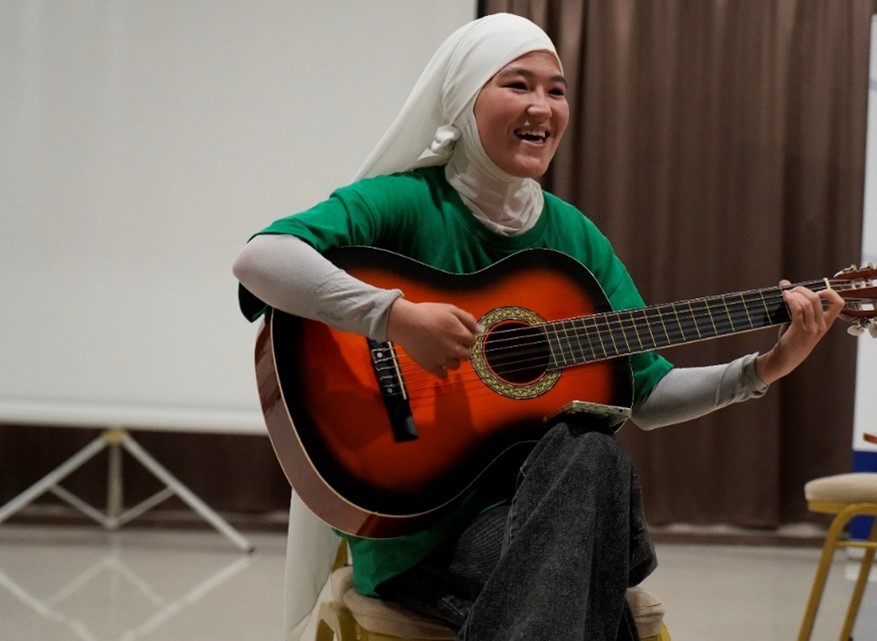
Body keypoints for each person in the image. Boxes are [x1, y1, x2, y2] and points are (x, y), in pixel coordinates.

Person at [233, 13, 844, 641]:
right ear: (463, 101)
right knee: (596, 487)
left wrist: (766, 368)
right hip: (423, 534)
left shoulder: (576, 238)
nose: (542, 106)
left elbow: (647, 394)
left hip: (536, 517)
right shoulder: (406, 202)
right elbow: (260, 259)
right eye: (517, 85)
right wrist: (394, 317)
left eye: (556, 89)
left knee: (589, 452)